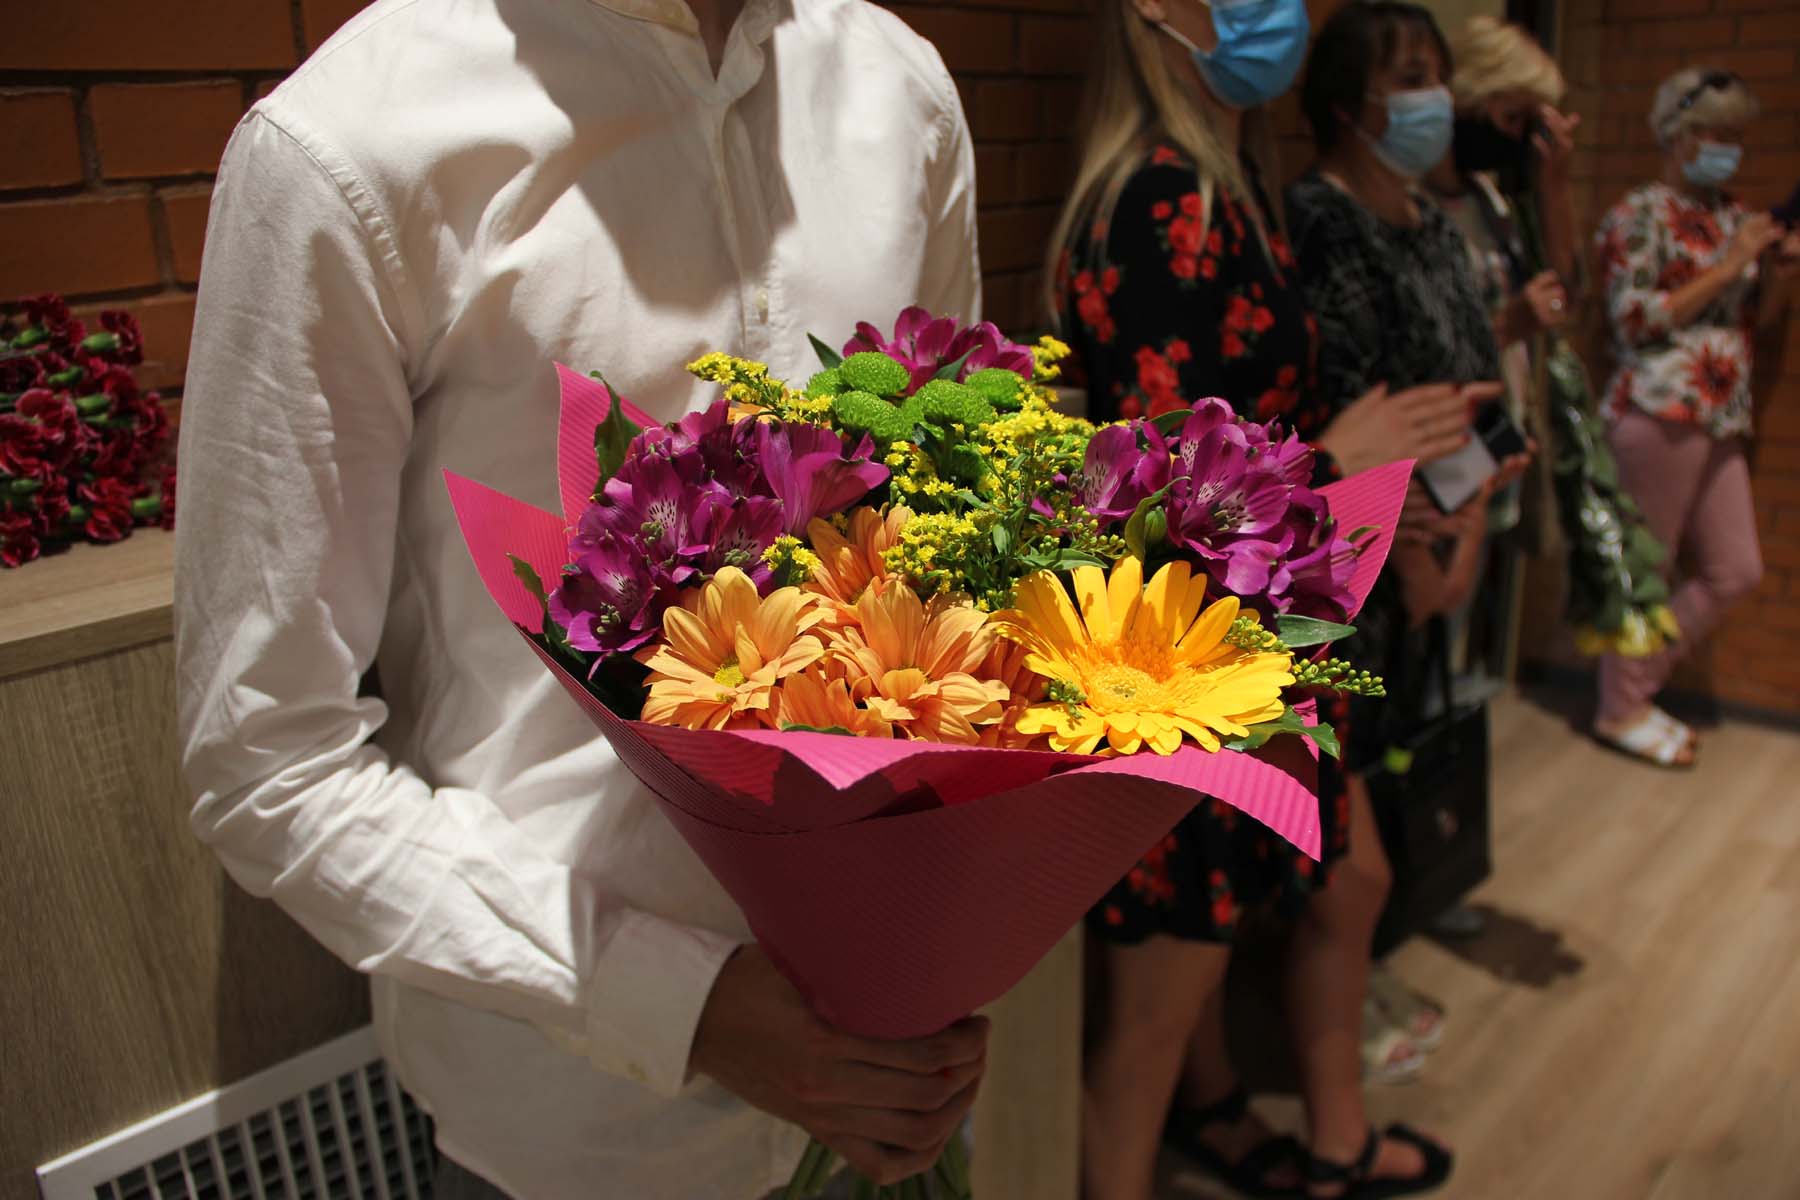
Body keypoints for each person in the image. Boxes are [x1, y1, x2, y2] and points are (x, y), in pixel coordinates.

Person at [171, 0, 992, 1196]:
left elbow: (953, 527)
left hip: (901, 1068)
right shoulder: (355, 143)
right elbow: (265, 761)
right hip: (585, 1124)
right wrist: (681, 1004)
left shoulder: (899, 89)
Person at [1046, 2, 1466, 1197]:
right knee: (1155, 1000)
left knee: (1209, 942)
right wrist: (1337, 459)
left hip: (1247, 629)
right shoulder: (1161, 199)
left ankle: (1220, 1115)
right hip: (1187, 655)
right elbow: (1156, 483)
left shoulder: (1223, 186)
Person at [1285, 2, 1539, 1193]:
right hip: (1346, 569)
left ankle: (1336, 1054)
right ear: (1348, 105)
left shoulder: (1433, 223)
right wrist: (1412, 544)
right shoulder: (1315, 222)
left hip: (1435, 555)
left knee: (1374, 824)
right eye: (1411, 79)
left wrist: (1468, 529)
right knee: (1348, 861)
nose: (1434, 100)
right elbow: (1332, 423)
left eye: (1439, 75)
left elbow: (1470, 390)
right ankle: (1328, 1124)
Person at [1591, 67, 1800, 766]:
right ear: (1678, 134)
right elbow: (1632, 319)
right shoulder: (1638, 215)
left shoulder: (1736, 216)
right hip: (1657, 408)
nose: (1728, 146)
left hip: (1720, 414)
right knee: (1646, 570)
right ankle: (1620, 706)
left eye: (1737, 134)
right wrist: (1731, 264)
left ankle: (1634, 687)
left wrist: (1778, 275)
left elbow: (1756, 320)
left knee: (1737, 569)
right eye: (1716, 132)